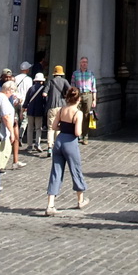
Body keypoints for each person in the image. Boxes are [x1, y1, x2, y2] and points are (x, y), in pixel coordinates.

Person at [45, 87, 88, 215]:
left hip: (59, 140)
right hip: (70, 142)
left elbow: (53, 126)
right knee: (76, 170)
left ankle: (50, 205)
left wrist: (63, 126)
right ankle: (80, 201)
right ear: (78, 99)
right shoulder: (78, 113)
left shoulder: (62, 109)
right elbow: (78, 132)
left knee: (56, 172)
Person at [45, 65, 71, 156]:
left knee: (50, 128)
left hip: (51, 107)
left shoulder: (50, 82)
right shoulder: (64, 81)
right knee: (59, 127)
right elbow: (71, 90)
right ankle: (57, 146)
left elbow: (44, 94)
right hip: (61, 107)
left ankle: (49, 147)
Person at [71, 56, 97, 144]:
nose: (84, 63)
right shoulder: (75, 73)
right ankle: (77, 135)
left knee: (86, 116)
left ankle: (85, 136)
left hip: (88, 95)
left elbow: (94, 87)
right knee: (77, 114)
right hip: (78, 95)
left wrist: (94, 99)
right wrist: (74, 97)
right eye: (83, 62)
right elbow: (73, 86)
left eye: (86, 62)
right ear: (80, 63)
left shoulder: (91, 73)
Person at [24, 73, 46, 153]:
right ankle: (37, 143)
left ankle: (29, 145)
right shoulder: (43, 89)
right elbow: (45, 101)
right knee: (38, 128)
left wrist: (24, 108)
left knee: (30, 128)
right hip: (39, 110)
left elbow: (26, 100)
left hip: (30, 110)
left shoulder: (31, 88)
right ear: (42, 81)